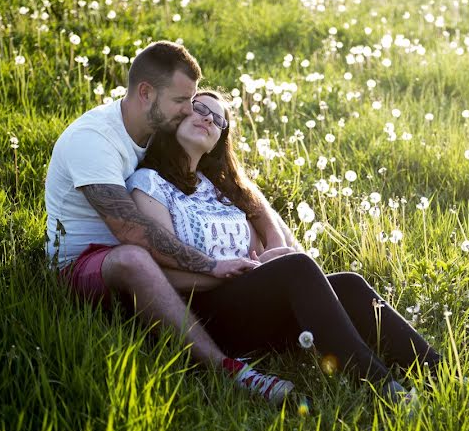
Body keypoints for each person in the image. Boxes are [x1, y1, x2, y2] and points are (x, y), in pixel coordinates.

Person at [125, 89, 443, 401]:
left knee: (350, 284)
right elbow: (162, 271)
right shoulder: (150, 184)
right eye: (200, 109)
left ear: (217, 143)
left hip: (250, 302)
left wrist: (265, 258)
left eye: (219, 121)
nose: (209, 120)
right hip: (204, 313)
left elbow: (262, 225)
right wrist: (227, 272)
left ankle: (444, 377)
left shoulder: (217, 188)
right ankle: (385, 389)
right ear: (176, 114)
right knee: (297, 268)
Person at [44, 41, 294, 404]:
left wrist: (274, 240)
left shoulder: (158, 127)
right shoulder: (94, 140)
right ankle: (226, 367)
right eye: (181, 102)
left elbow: (238, 184)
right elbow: (132, 231)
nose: (189, 110)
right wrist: (213, 265)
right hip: (83, 263)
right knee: (134, 257)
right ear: (146, 93)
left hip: (153, 258)